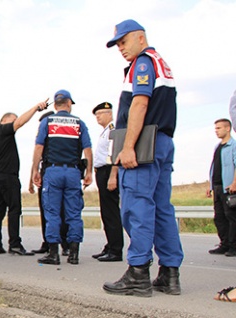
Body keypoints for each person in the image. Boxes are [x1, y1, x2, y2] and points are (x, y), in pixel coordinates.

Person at [103, 19, 184, 297]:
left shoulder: (142, 63)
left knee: (136, 207)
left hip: (143, 144)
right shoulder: (161, 62)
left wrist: (128, 147)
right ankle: (170, 274)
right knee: (161, 209)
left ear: (140, 37)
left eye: (124, 42)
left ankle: (138, 272)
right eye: (117, 45)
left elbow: (140, 102)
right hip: (162, 141)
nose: (120, 48)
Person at [32, 90, 93, 265]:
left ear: (56, 105)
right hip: (73, 172)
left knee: (52, 212)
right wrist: (89, 172)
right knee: (74, 213)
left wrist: (36, 170)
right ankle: (73, 253)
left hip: (53, 171)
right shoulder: (79, 123)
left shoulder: (47, 122)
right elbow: (87, 150)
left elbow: (38, 148)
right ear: (68, 104)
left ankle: (53, 253)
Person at [0, 99, 49, 256]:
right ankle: (14, 244)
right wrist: (35, 108)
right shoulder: (2, 130)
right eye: (12, 121)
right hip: (7, 177)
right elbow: (20, 122)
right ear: (4, 121)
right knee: (14, 209)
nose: (15, 124)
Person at [28, 111, 70, 256]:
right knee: (45, 210)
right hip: (44, 173)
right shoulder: (42, 138)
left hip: (58, 174)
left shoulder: (60, 137)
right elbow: (36, 159)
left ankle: (65, 244)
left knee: (62, 211)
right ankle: (47, 242)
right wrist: (31, 179)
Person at [90, 102, 124, 262]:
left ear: (110, 113)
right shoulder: (104, 131)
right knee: (106, 211)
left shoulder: (112, 130)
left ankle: (116, 249)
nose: (98, 117)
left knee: (111, 212)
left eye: (101, 113)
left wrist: (113, 175)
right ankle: (110, 245)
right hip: (102, 172)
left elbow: (115, 154)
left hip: (109, 171)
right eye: (96, 115)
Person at [207, 118, 236, 256]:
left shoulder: (233, 145)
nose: (216, 131)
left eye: (219, 128)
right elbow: (214, 167)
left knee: (231, 217)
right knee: (219, 217)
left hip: (229, 187)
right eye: (215, 128)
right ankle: (224, 244)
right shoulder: (217, 147)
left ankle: (233, 246)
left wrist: (235, 183)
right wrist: (210, 185)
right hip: (217, 186)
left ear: (227, 128)